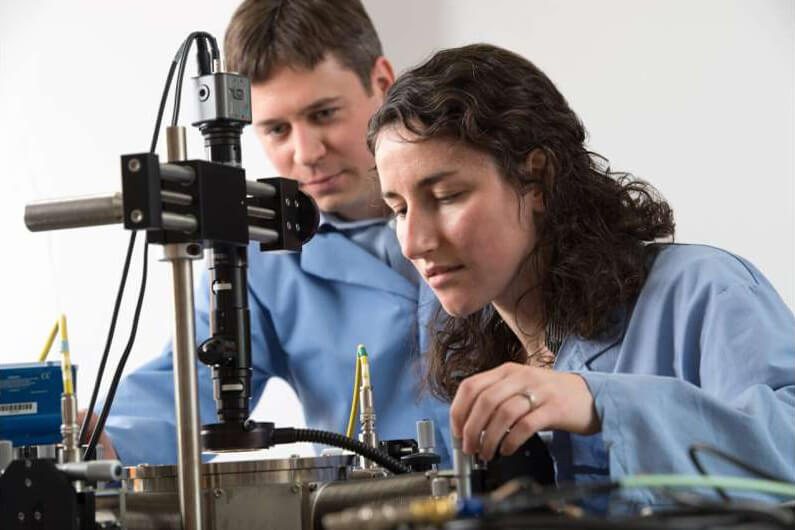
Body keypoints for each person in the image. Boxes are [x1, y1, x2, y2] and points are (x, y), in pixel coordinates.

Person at [368, 43, 795, 508]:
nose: (412, 242)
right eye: (399, 209)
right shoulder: (485, 365)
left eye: (447, 196)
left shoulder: (702, 290)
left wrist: (597, 402)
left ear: (537, 179)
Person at [86, 0, 451, 466]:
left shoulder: (482, 197)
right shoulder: (263, 260)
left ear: (381, 83)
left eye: (323, 114)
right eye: (277, 129)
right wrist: (102, 438)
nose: (307, 152)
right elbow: (189, 387)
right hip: (368, 509)